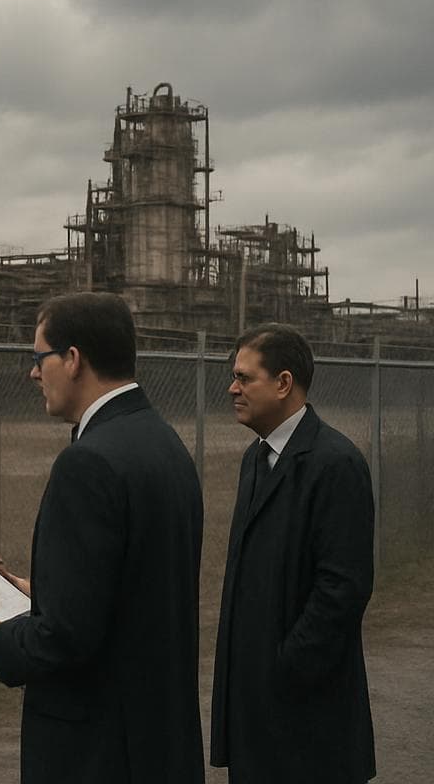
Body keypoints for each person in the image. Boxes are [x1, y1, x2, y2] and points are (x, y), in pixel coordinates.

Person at [0, 292, 204, 784]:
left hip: (97, 747)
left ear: (72, 359)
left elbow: (66, 639)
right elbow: (134, 588)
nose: (33, 373)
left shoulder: (87, 461)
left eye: (39, 358)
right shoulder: (164, 442)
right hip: (156, 736)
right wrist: (38, 591)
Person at [210, 324, 375, 783]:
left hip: (308, 721)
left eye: (244, 378)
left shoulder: (335, 463)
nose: (233, 388)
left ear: (283, 383)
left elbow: (342, 588)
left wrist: (284, 669)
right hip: (255, 715)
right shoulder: (255, 459)